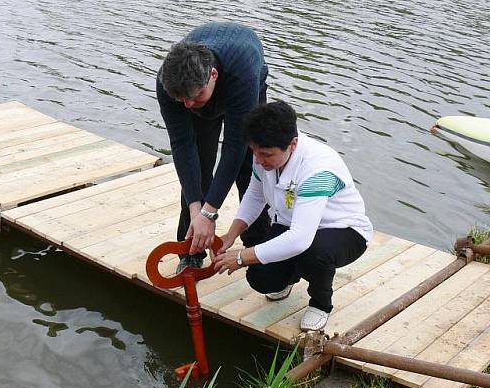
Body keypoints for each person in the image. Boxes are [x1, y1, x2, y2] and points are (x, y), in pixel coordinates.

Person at [213, 100, 373, 331]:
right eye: (254, 152)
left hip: (343, 230)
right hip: (293, 224)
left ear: (293, 144)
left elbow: (300, 239)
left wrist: (240, 256)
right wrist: (231, 234)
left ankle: (321, 304)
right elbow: (255, 196)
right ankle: (289, 277)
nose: (258, 160)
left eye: (266, 155)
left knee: (313, 254)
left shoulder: (318, 169)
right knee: (261, 278)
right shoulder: (263, 156)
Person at [157, 22, 271, 272]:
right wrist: (198, 210)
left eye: (194, 97)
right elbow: (181, 145)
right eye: (181, 100)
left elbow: (233, 147)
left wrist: (210, 213)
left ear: (213, 76)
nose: (187, 105)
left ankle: (259, 249)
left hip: (245, 74)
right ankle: (191, 249)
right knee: (198, 161)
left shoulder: (242, 75)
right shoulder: (169, 82)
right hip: (200, 83)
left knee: (250, 166)